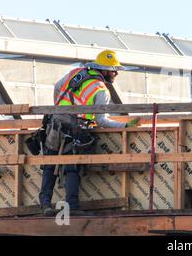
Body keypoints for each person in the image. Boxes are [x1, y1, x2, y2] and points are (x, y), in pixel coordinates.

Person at [39, 50, 138, 216]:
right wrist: (125, 126)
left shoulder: (75, 73)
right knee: (73, 167)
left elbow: (57, 87)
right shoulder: (101, 90)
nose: (116, 74)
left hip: (55, 123)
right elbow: (102, 121)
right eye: (114, 70)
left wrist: (59, 108)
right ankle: (73, 207)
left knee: (50, 163)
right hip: (77, 127)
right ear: (104, 70)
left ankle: (45, 205)